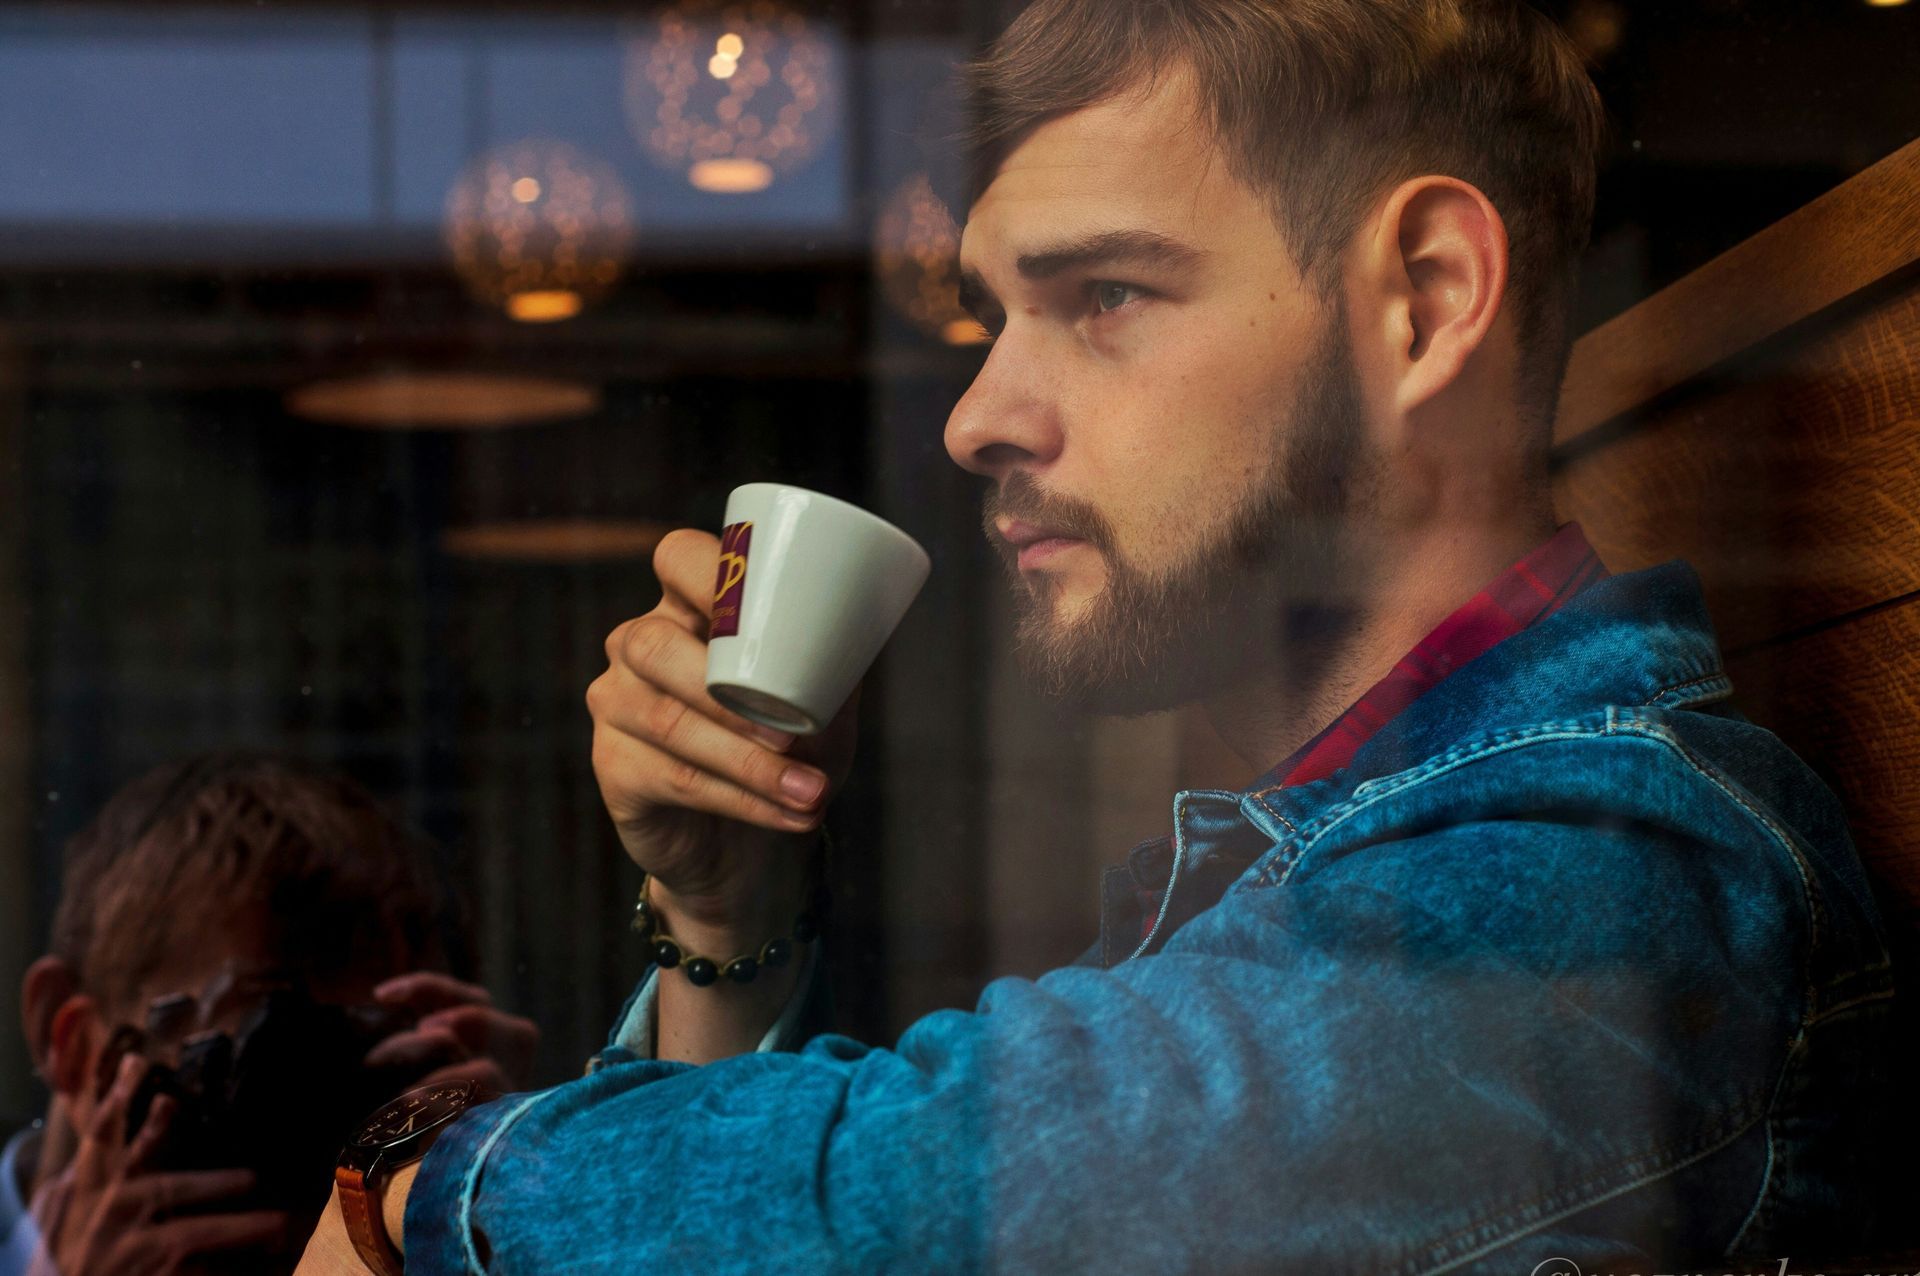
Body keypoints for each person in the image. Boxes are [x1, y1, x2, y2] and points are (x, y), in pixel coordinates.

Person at [297, 0, 1897, 1270]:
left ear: (1421, 299)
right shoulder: (1282, 872)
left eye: (1107, 296)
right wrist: (727, 914)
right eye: (996, 314)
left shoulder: (1617, 869)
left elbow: (945, 1198)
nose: (979, 417)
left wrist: (426, 1180)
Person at [3, 752, 538, 1275]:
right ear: (70, 1044)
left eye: (356, 1078)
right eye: (259, 1067)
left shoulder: (416, 1225)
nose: (304, 1124)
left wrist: (501, 1198)